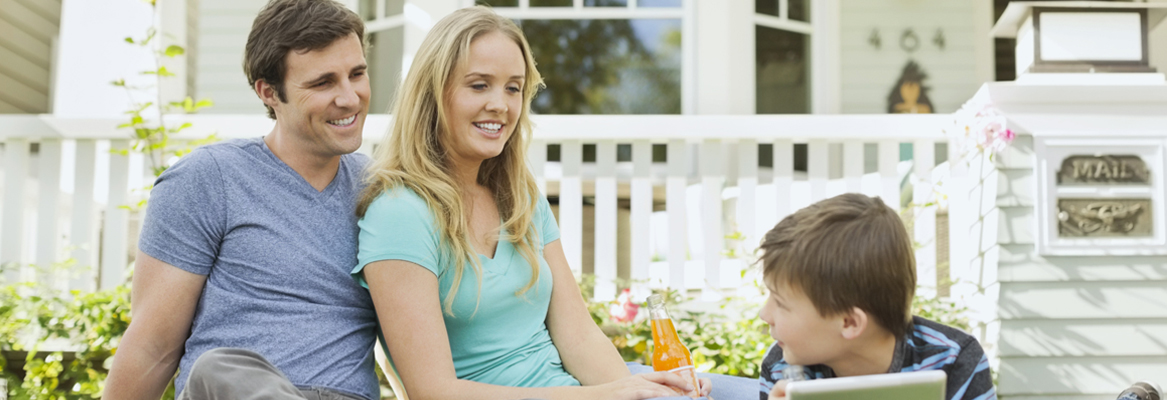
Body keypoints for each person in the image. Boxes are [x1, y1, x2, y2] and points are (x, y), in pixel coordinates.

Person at [352, 6, 756, 400]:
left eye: (513, 87)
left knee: (761, 393)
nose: (501, 104)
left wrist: (638, 392)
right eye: (479, 85)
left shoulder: (519, 197)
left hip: (573, 388)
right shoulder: (400, 213)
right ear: (433, 94)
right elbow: (433, 391)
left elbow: (578, 335)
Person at [101, 0, 378, 399]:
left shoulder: (381, 192)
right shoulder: (209, 179)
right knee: (222, 367)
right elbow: (152, 348)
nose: (350, 98)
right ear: (269, 93)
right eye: (323, 83)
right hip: (235, 391)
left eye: (357, 74)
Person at [756, 194, 995, 400]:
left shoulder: (954, 361)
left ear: (849, 322)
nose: (764, 314)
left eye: (780, 303)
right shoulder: (782, 366)